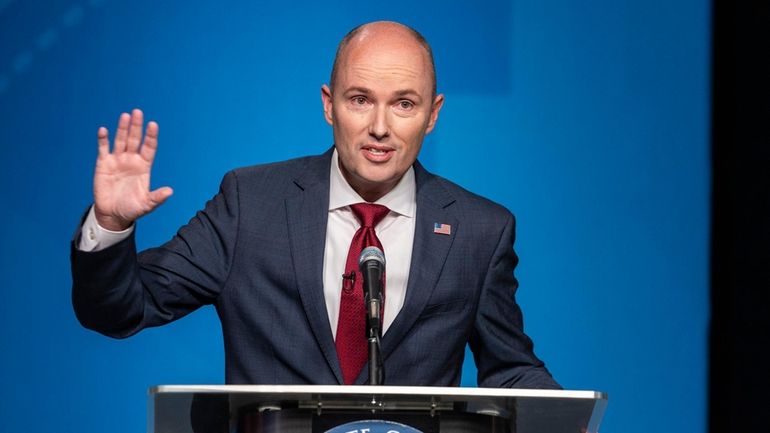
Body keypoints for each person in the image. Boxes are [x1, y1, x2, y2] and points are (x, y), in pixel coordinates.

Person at [71, 21, 559, 389]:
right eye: (360, 99)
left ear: (433, 115)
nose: (380, 128)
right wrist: (110, 225)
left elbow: (511, 368)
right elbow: (121, 311)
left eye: (404, 104)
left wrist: (565, 416)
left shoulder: (480, 229)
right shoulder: (250, 204)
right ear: (329, 104)